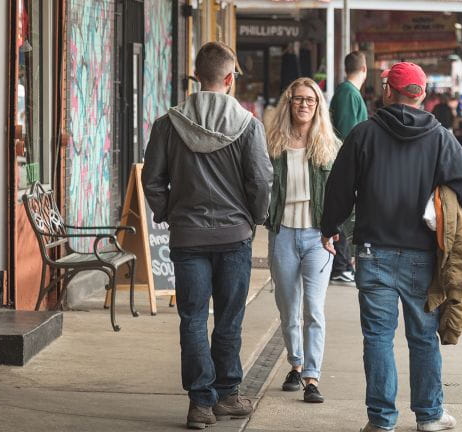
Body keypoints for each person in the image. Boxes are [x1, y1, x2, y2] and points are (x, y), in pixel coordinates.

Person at [320, 62, 462, 432]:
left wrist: (329, 229)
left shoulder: (363, 135)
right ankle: (428, 416)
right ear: (421, 94)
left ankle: (381, 421)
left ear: (387, 91)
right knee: (423, 336)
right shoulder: (440, 137)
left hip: (373, 252)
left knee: (377, 337)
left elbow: (340, 189)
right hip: (421, 256)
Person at [142, 42, 273, 430]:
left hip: (188, 238)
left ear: (197, 75)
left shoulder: (168, 124)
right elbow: (262, 180)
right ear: (230, 79)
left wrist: (169, 212)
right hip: (235, 237)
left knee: (193, 319)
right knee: (230, 318)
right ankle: (228, 395)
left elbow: (153, 181)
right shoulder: (249, 125)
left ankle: (200, 404)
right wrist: (255, 218)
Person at [265, 77, 341, 405]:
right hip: (282, 232)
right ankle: (295, 363)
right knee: (287, 307)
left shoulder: (327, 145)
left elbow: (342, 192)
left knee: (314, 308)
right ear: (289, 102)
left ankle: (312, 376)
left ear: (318, 105)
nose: (304, 105)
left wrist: (336, 230)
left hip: (317, 238)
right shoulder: (273, 143)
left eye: (311, 100)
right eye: (298, 99)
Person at [327, 51, 368, 285]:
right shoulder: (348, 95)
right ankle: (341, 266)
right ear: (364, 69)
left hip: (346, 162)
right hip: (344, 163)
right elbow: (347, 134)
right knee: (343, 213)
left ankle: (342, 264)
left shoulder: (347, 93)